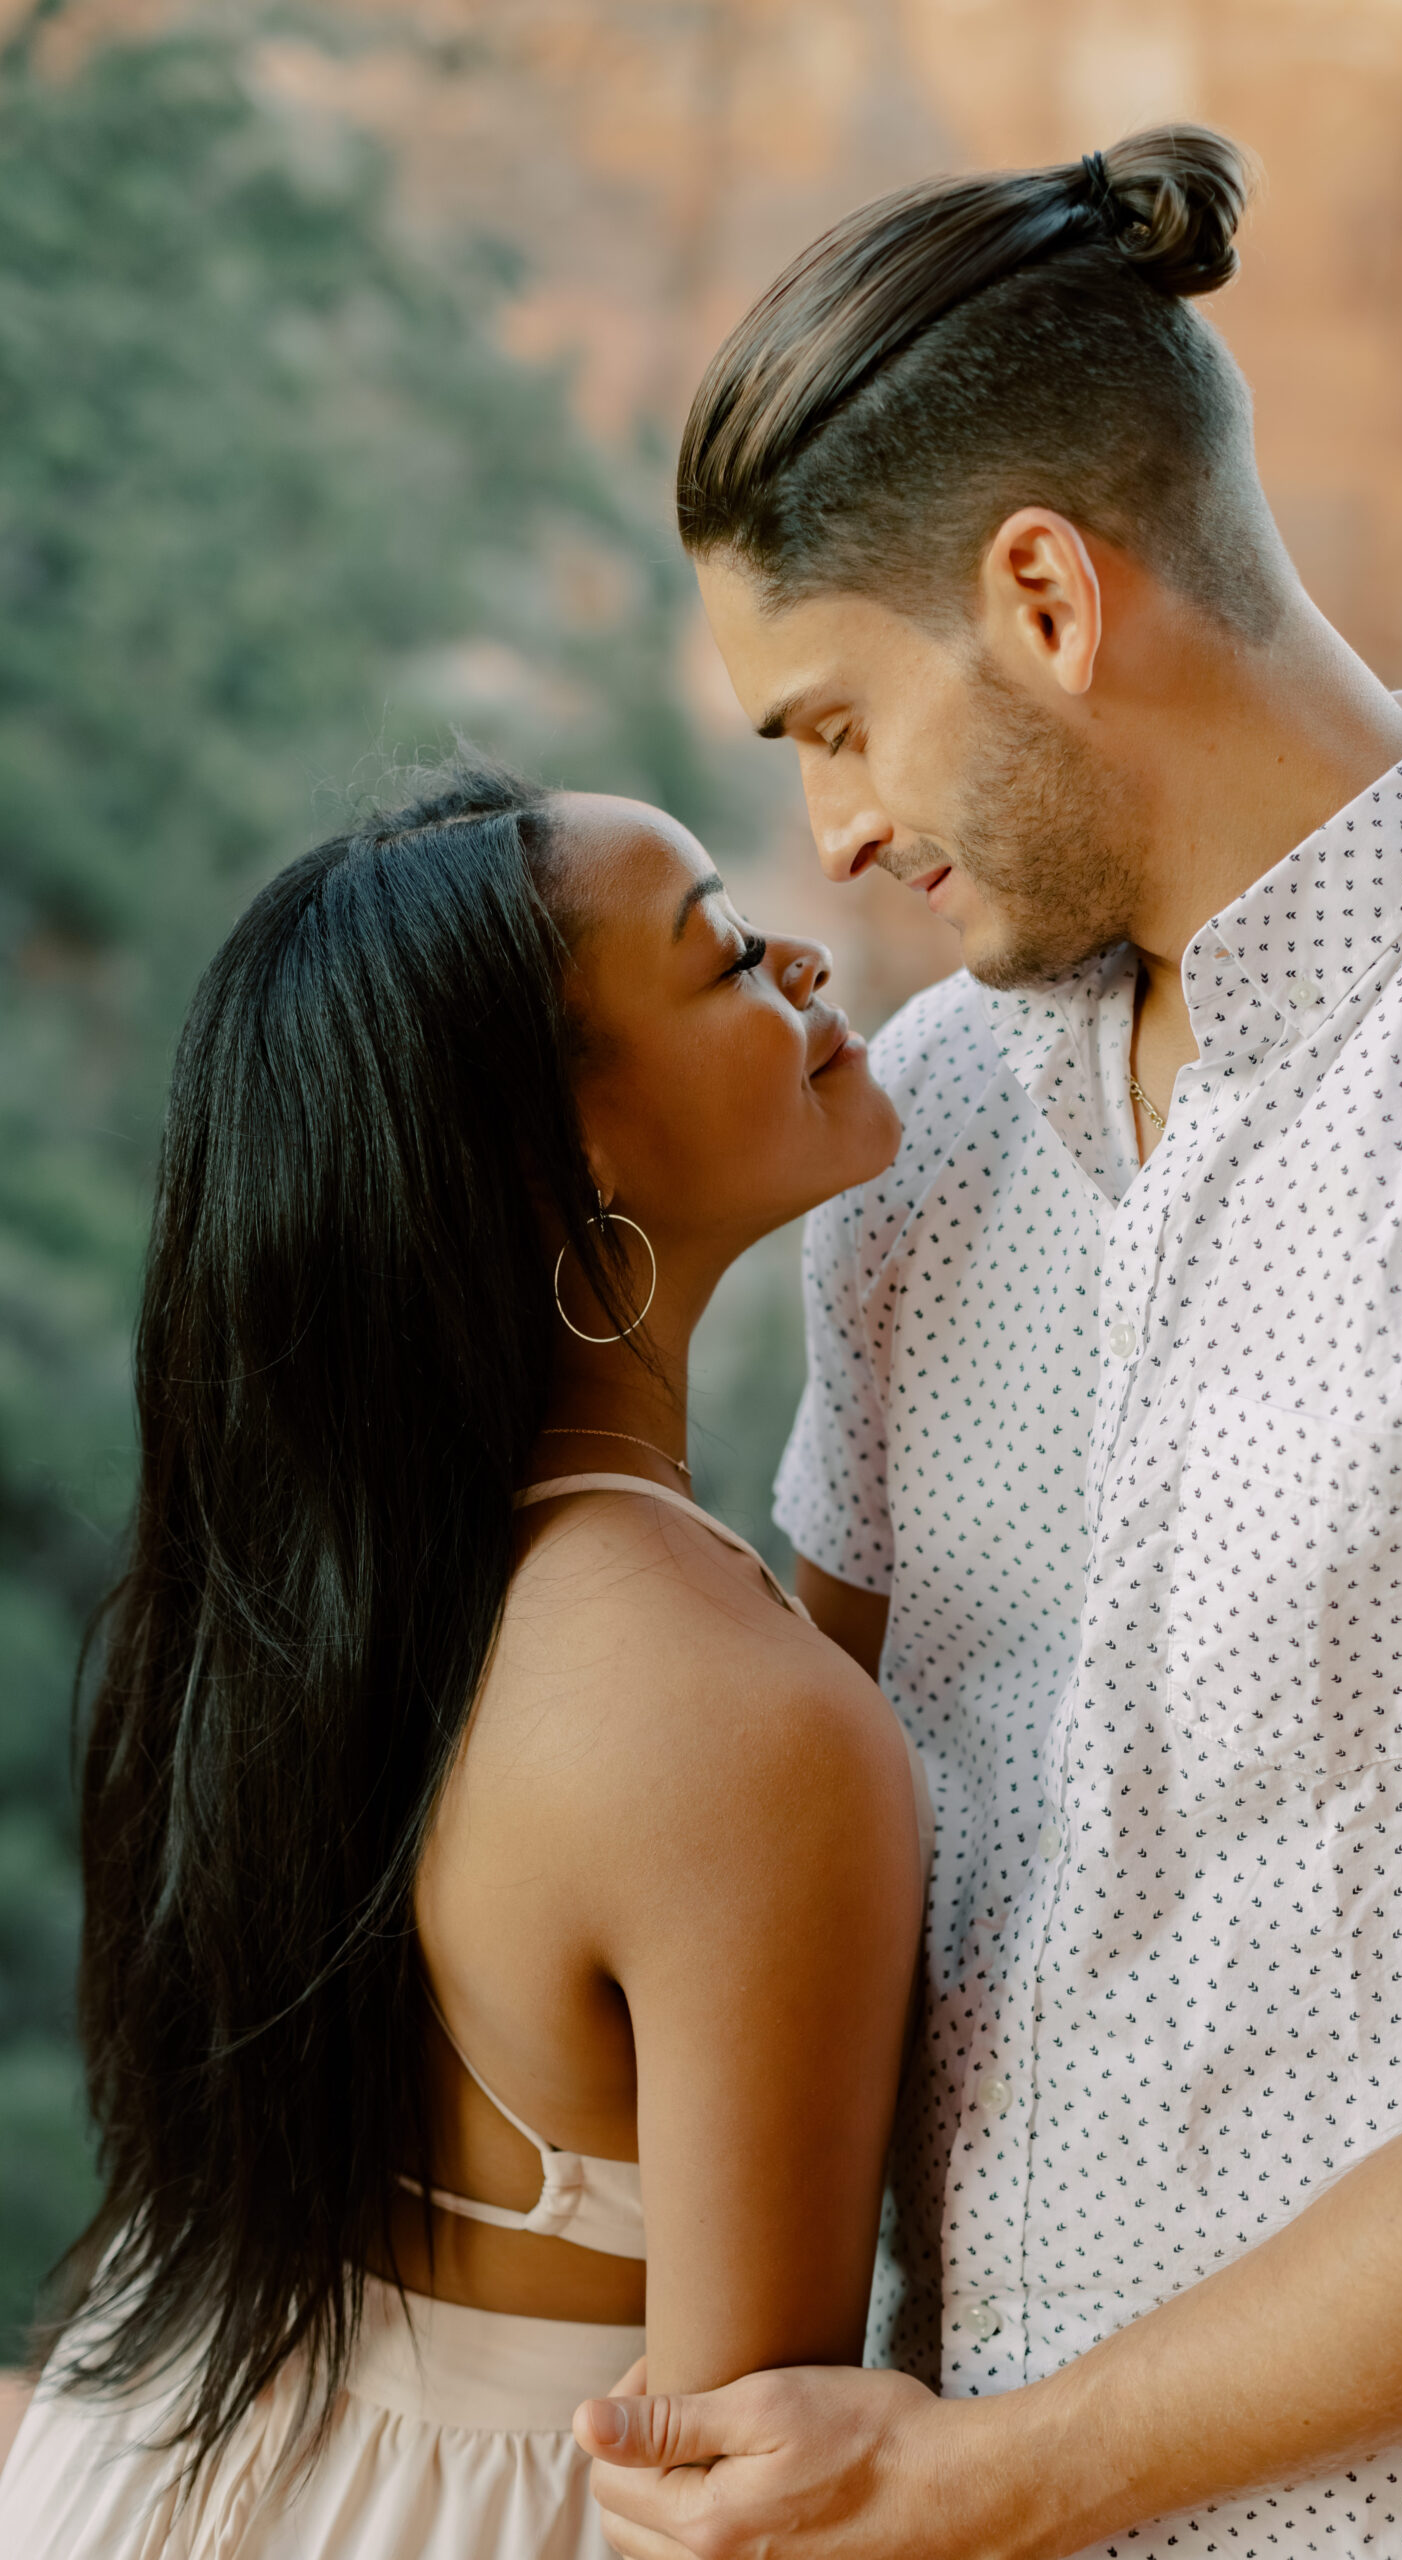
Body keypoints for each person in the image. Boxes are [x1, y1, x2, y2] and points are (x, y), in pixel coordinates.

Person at [577, 126, 1402, 2560]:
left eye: (831, 723)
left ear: (1042, 596)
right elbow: (796, 1859)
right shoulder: (926, 1138)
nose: (832, 833)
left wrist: (994, 2476)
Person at [0, 765, 930, 2557]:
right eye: (726, 954)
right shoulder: (731, 1725)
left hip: (150, 2472)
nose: (808, 960)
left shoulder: (318, 1591)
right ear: (558, 1153)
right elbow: (744, 2504)